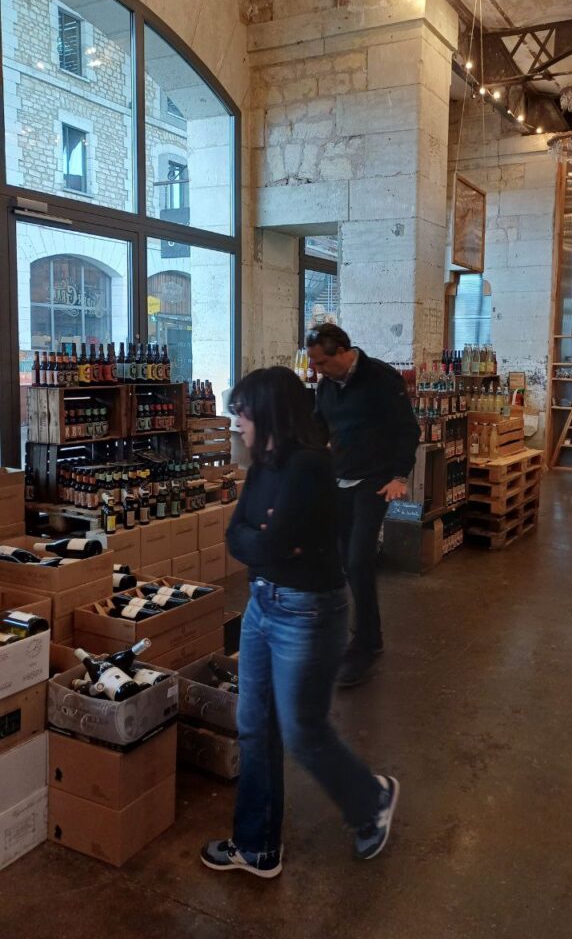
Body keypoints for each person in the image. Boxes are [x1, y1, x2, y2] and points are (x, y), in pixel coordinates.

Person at [201, 367, 398, 877]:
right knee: (253, 725)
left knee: (303, 731)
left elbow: (266, 543)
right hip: (261, 603)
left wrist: (265, 541)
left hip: (306, 611)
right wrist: (264, 540)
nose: (236, 421)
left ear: (269, 412)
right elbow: (238, 536)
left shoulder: (309, 466)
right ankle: (257, 846)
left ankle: (371, 800)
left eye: (243, 411)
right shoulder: (264, 465)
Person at [307, 325, 420, 687]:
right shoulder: (326, 386)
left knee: (359, 560)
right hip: (340, 478)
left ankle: (367, 643)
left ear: (342, 351)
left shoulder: (381, 379)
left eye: (322, 362)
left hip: (376, 480)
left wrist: (399, 475)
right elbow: (319, 428)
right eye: (314, 364)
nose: (317, 370)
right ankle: (359, 633)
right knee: (344, 559)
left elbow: (408, 430)